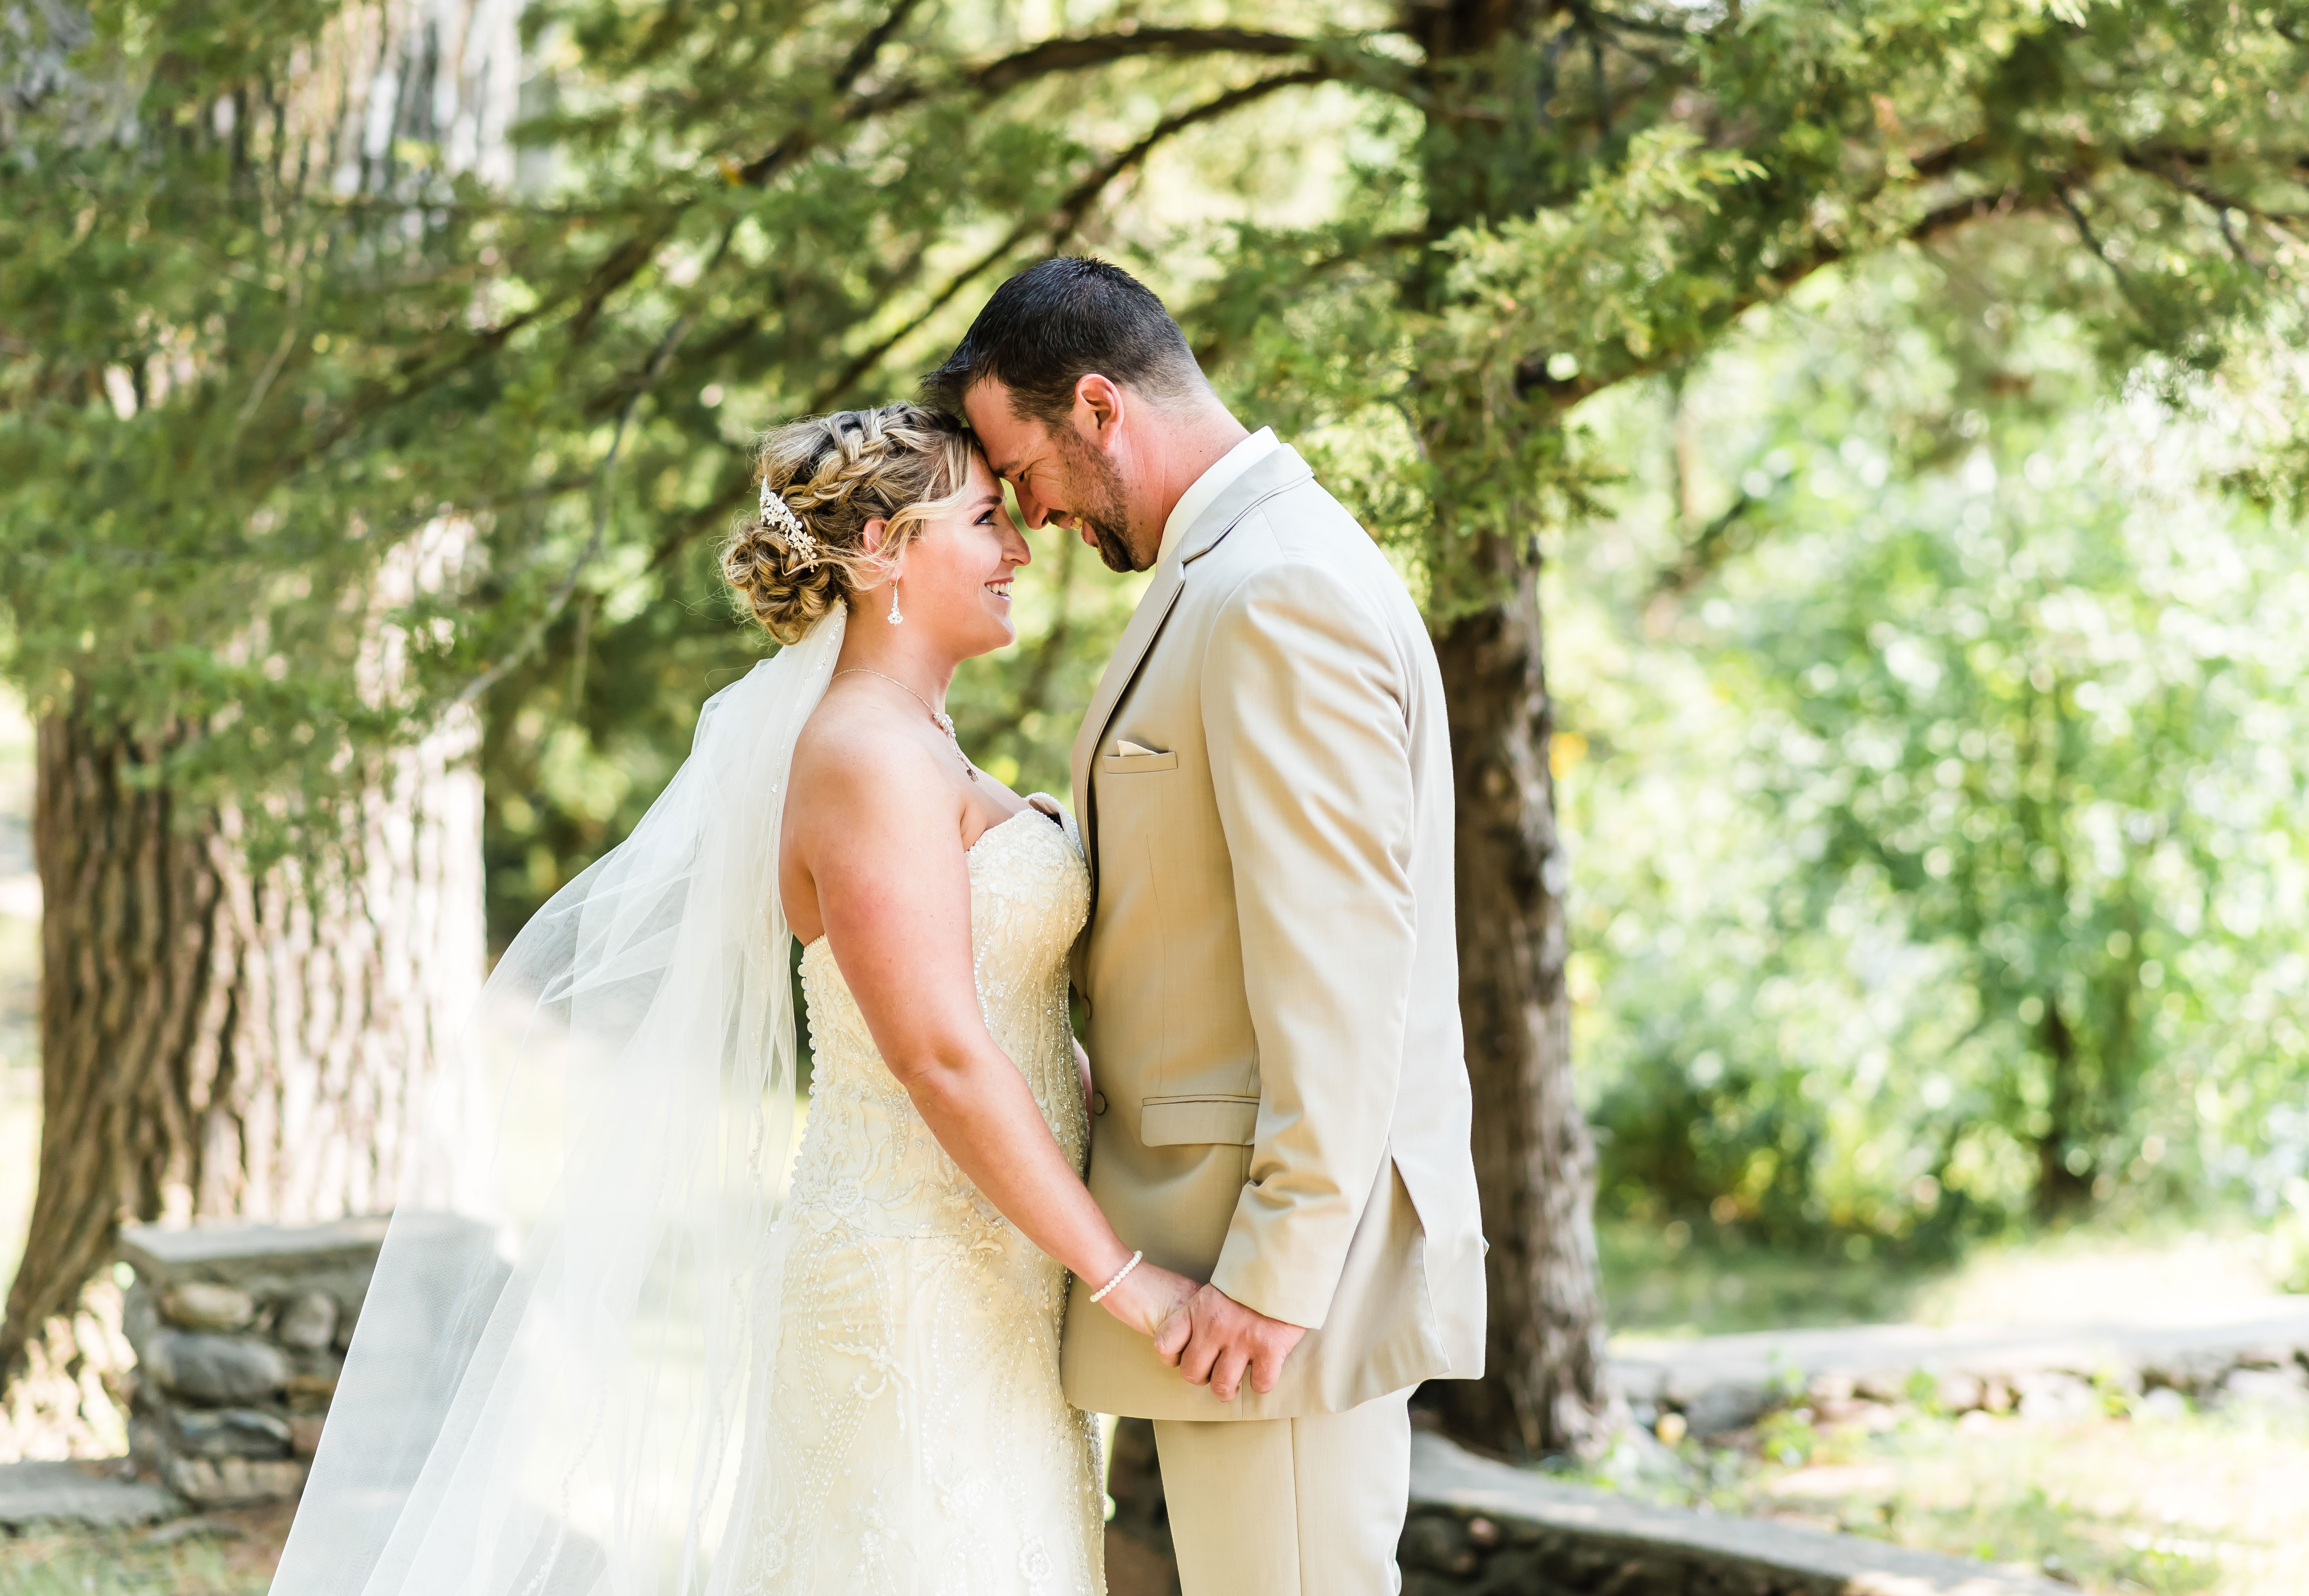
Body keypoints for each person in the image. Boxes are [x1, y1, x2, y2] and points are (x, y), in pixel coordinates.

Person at [270, 401, 1193, 1595]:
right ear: (881, 550)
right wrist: (1126, 1279)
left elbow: (1017, 1022)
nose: (1020, 548)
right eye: (983, 521)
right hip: (910, 1284)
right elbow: (944, 1058)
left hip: (995, 1272)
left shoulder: (921, 740)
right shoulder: (864, 756)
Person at [923, 257, 1487, 1596]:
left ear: (1101, 408)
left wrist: (1278, 1276)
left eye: (1025, 469)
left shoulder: (1276, 593)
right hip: (1215, 1245)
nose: (1030, 516)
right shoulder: (1228, 575)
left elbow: (1344, 973)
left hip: (1271, 1283)